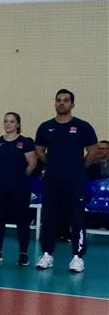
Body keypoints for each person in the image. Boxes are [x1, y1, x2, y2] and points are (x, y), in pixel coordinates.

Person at [34, 89, 98, 273]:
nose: (61, 103)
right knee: (49, 217)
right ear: (55, 103)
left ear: (72, 104)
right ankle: (47, 254)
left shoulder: (83, 127)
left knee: (76, 218)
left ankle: (78, 257)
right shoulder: (45, 127)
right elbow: (39, 150)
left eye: (66, 100)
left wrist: (79, 168)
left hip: (74, 181)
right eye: (58, 100)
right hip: (52, 180)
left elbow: (93, 150)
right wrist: (52, 164)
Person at [0, 112, 37, 266]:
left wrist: (19, 178)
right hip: (0, 186)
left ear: (18, 124)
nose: (8, 124)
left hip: (19, 187)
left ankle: (23, 254)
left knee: (22, 220)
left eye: (12, 121)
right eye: (6, 121)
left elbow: (32, 164)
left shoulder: (25, 142)